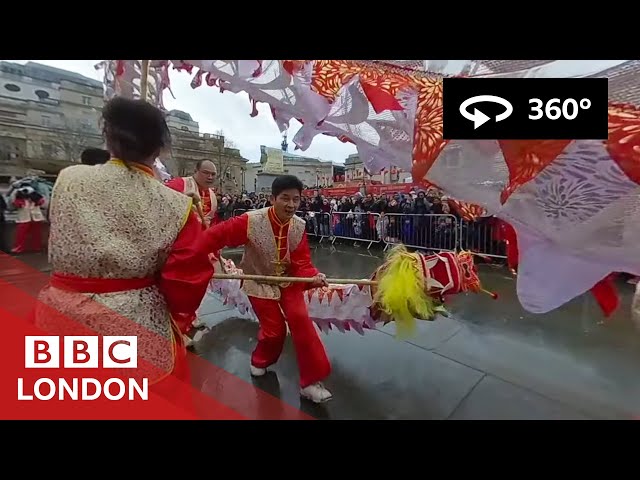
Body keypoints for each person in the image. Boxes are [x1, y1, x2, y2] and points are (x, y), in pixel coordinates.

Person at [34, 97, 214, 398]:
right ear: (159, 149)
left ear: (108, 138)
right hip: (133, 321)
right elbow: (187, 280)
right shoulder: (176, 204)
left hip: (59, 312)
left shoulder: (68, 178)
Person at [195, 175, 333, 403]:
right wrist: (195, 255)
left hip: (288, 281)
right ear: (272, 198)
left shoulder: (299, 226)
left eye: (296, 200)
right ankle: (260, 360)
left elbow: (302, 262)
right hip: (258, 281)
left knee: (302, 322)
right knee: (274, 331)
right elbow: (215, 237)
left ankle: (310, 382)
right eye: (285, 198)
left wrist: (312, 277)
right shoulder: (250, 221)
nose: (291, 205)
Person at [165, 160, 219, 228]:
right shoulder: (180, 184)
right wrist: (183, 201)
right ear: (195, 171)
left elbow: (213, 221)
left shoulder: (213, 196)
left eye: (213, 174)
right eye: (206, 173)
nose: (210, 177)